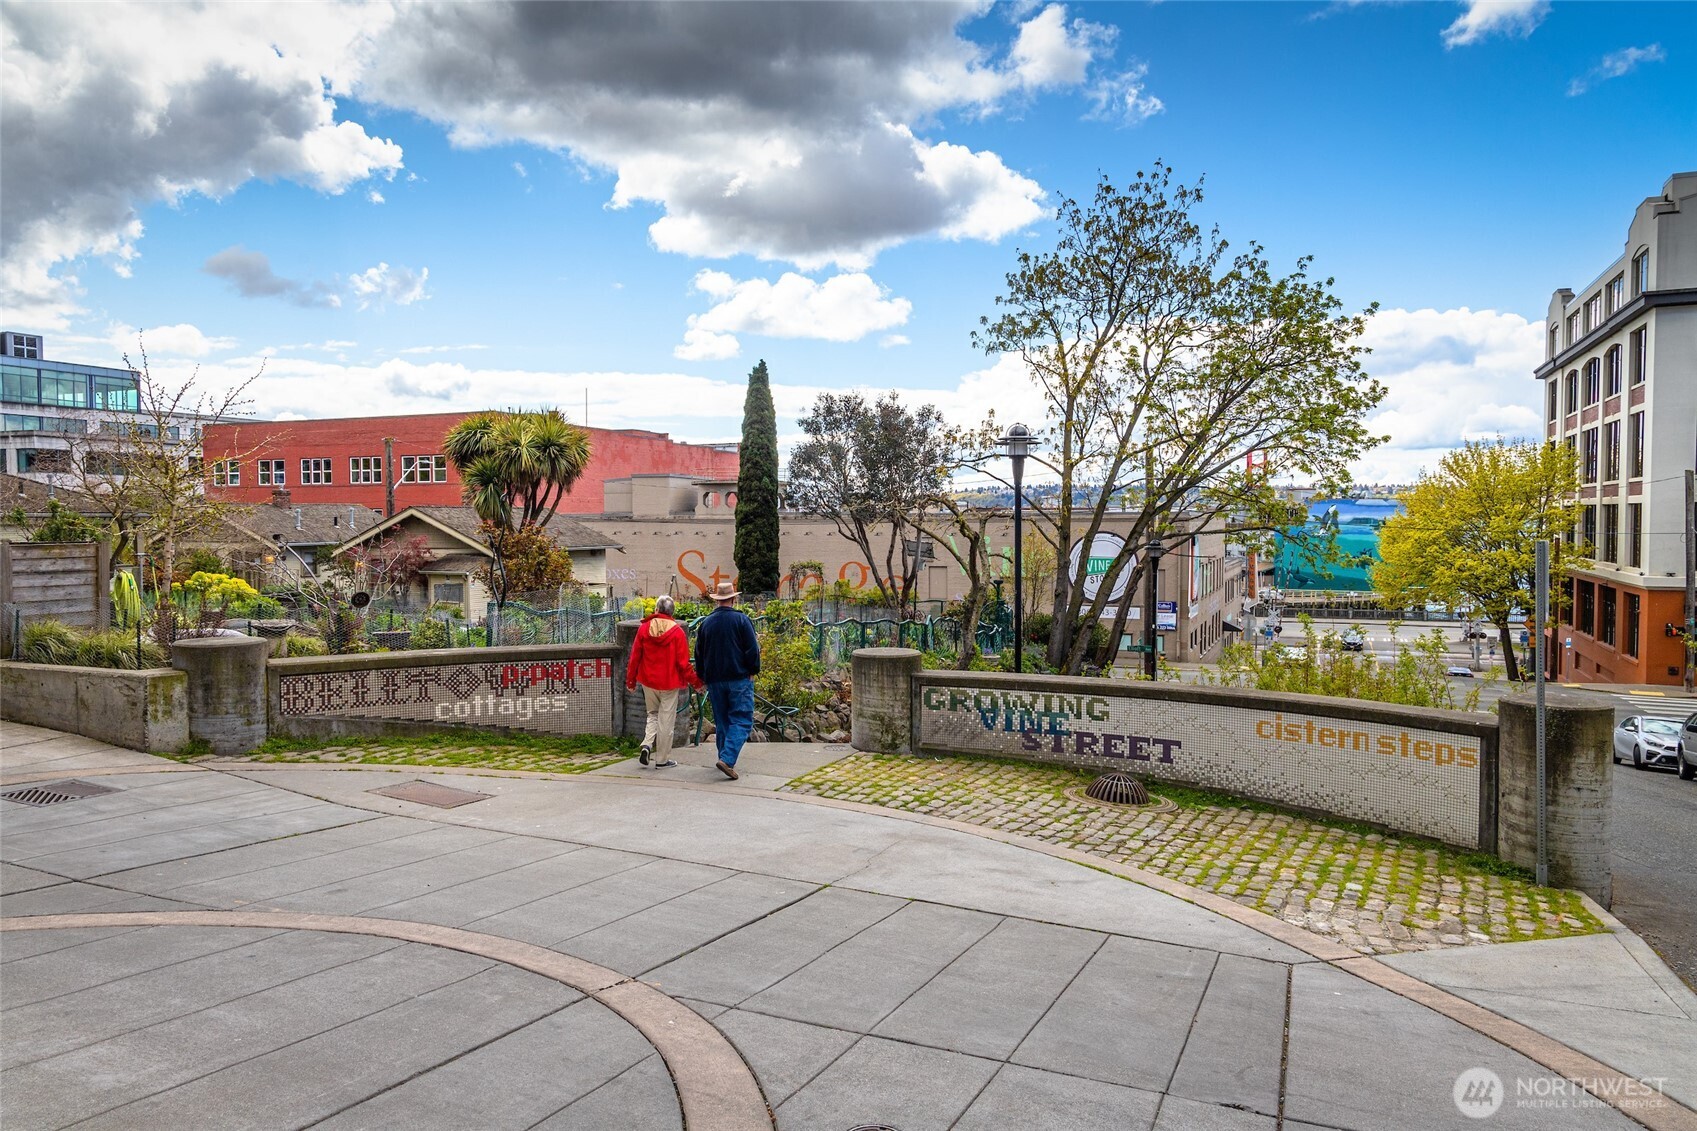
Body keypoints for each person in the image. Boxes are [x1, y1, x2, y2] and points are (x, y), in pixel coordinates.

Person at [624, 595, 704, 770]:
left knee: (652, 714)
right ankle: (661, 759)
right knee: (666, 721)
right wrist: (697, 683)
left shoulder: (644, 628)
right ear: (672, 612)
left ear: (657, 610)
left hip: (648, 681)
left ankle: (646, 744)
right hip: (669, 682)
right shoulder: (677, 632)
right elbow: (683, 664)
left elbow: (635, 657)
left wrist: (630, 681)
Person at [693, 580, 760, 780]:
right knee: (741, 719)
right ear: (733, 598)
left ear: (717, 600)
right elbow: (751, 649)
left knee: (722, 720)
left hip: (714, 679)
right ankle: (728, 759)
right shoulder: (741, 620)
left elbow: (699, 654)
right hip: (738, 677)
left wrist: (702, 676)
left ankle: (723, 755)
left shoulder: (706, 623)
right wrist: (753, 669)